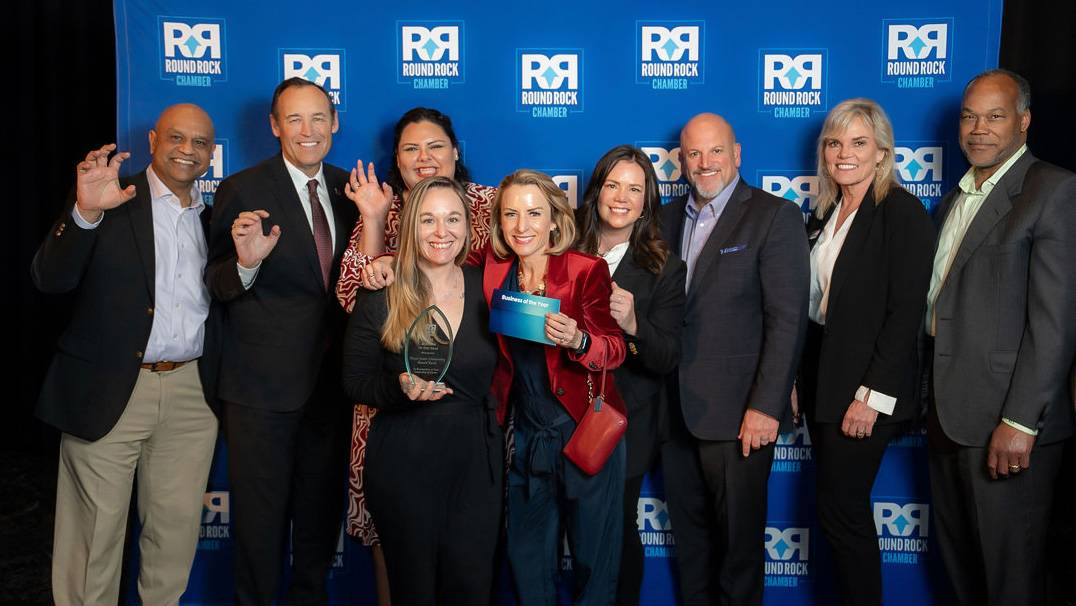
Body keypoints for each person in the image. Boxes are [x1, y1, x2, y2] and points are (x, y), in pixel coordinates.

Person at [32, 104, 220, 605]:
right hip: (111, 388)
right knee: (93, 539)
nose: (187, 149)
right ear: (155, 139)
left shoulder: (216, 217)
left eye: (200, 142)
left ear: (211, 153)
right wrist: (85, 212)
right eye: (176, 138)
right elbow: (50, 279)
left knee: (174, 537)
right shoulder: (113, 199)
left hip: (190, 394)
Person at [925, 68, 1076, 606]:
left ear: (1024, 122)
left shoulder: (1053, 190)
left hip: (1006, 428)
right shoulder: (952, 202)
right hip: (947, 420)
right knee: (965, 578)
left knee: (1011, 583)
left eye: (995, 116)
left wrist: (1019, 422)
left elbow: (1055, 323)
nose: (979, 129)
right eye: (969, 116)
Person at [205, 77, 358, 605]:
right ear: (274, 127)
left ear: (335, 123)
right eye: (293, 119)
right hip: (260, 392)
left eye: (318, 118)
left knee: (319, 519)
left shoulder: (350, 190)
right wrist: (246, 264)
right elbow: (216, 281)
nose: (308, 130)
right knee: (259, 525)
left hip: (333, 388)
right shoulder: (242, 189)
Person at [335, 107, 496, 604]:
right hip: (401, 445)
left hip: (475, 452)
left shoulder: (488, 278)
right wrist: (375, 222)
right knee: (409, 585)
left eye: (435, 146)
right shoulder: (383, 277)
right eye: (411, 149)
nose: (440, 230)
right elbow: (354, 341)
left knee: (470, 584)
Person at [660, 113, 809, 606]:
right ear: (681, 161)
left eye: (715, 151)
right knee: (693, 550)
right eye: (694, 154)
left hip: (740, 416)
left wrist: (766, 406)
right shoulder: (661, 219)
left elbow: (786, 319)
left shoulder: (773, 216)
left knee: (738, 556)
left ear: (737, 153)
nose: (705, 164)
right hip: (673, 414)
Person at [796, 98, 935, 605]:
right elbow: (815, 310)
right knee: (835, 514)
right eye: (834, 143)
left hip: (862, 392)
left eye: (858, 143)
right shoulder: (827, 211)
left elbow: (905, 315)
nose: (844, 153)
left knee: (843, 513)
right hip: (825, 384)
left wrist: (871, 397)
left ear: (882, 152)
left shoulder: (901, 211)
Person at [485, 169, 626, 605]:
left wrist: (579, 341)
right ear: (500, 223)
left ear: (553, 219)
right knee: (526, 560)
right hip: (526, 435)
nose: (522, 226)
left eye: (533, 213)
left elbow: (615, 349)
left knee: (593, 560)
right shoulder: (492, 274)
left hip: (584, 431)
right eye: (511, 214)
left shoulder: (584, 271)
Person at [575, 145, 686, 606]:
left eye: (635, 189)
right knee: (573, 531)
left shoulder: (664, 267)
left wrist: (635, 325)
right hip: (561, 412)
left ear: (647, 201)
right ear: (597, 190)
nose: (621, 197)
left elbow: (667, 357)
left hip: (623, 423)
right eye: (613, 185)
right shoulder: (562, 248)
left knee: (616, 530)